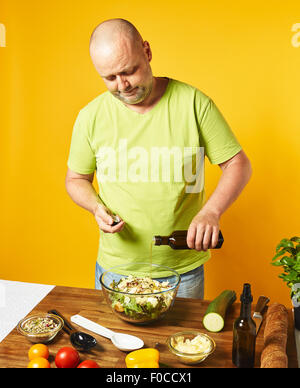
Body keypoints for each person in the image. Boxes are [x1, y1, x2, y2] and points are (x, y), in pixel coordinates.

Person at [66, 18, 252, 299]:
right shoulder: (90, 117)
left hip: (182, 271)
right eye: (110, 78)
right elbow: (76, 179)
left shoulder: (194, 104)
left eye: (129, 71)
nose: (123, 85)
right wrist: (95, 207)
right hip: (115, 269)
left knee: (178, 344)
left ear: (147, 52)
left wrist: (211, 212)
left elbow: (237, 164)